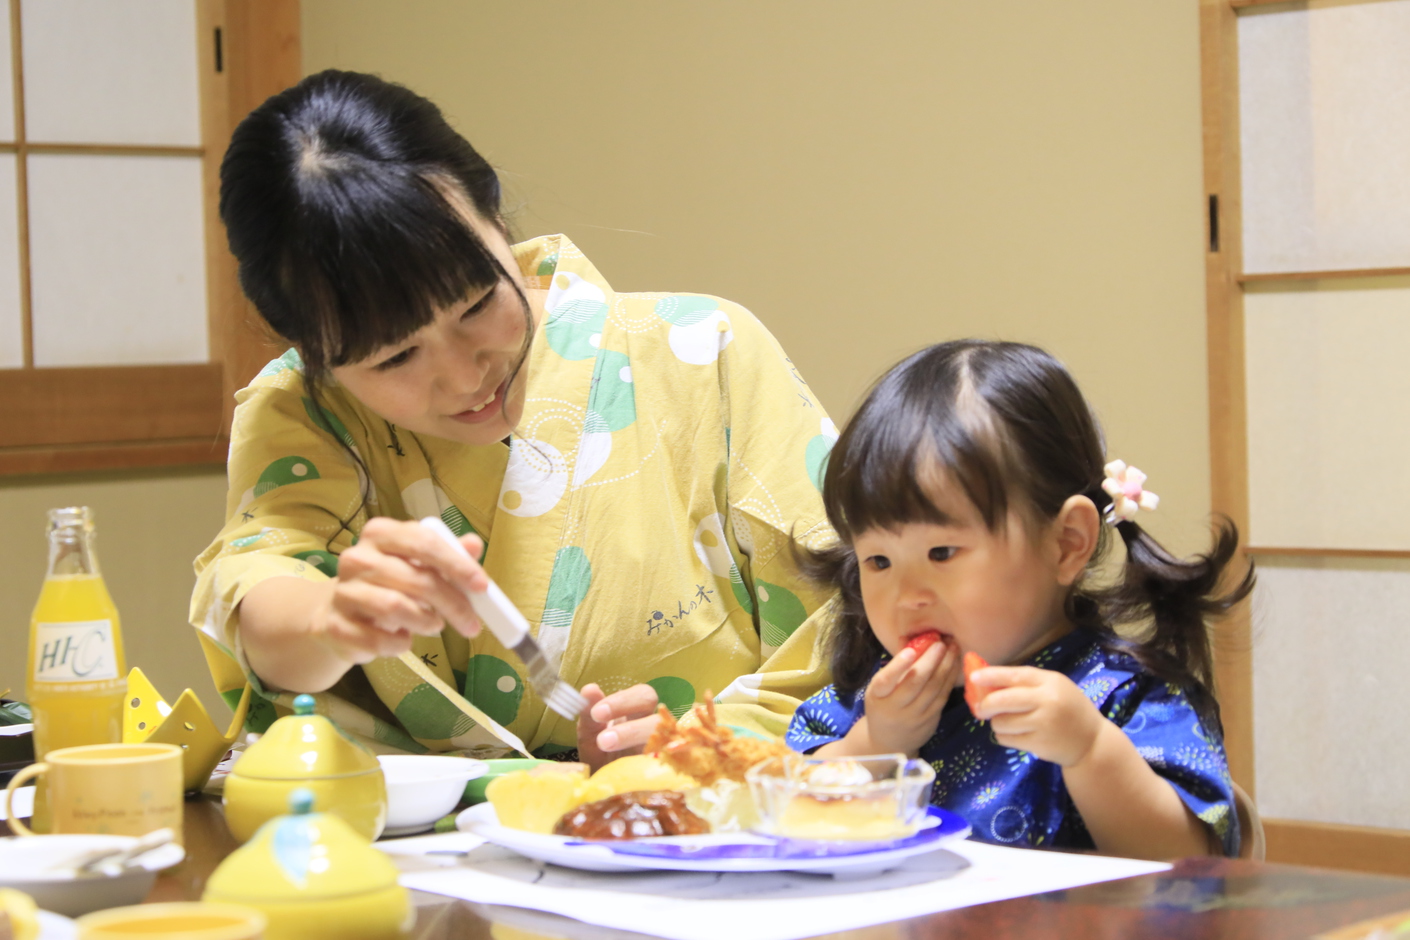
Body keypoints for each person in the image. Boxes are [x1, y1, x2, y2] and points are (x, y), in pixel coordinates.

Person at [191, 70, 836, 768]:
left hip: (721, 820)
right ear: (312, 355)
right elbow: (255, 588)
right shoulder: (304, 413)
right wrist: (333, 620)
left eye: (475, 304)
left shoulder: (705, 351)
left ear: (494, 217)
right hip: (426, 850)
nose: (466, 374)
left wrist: (699, 746)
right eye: (396, 357)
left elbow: (851, 605)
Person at [784, 340, 1254, 859]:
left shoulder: (1124, 693)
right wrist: (877, 743)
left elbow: (1193, 865)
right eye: (878, 561)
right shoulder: (876, 698)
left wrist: (1091, 750)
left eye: (941, 552)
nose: (905, 596)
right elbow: (784, 813)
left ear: (1066, 542)